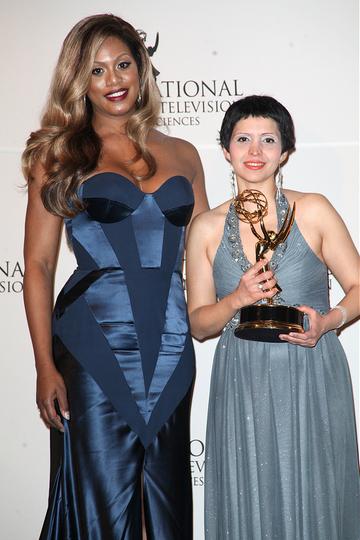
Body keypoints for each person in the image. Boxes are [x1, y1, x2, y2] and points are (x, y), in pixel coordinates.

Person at [22, 14, 208, 539]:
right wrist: (43, 365)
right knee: (102, 504)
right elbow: (36, 265)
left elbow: (206, 254)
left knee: (165, 511)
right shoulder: (58, 153)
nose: (114, 79)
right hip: (92, 347)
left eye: (123, 63)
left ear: (142, 67)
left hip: (172, 349)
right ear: (79, 81)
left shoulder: (185, 154)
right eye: (97, 70)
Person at [186, 95, 360, 539]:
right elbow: (200, 324)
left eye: (268, 139)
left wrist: (329, 320)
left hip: (311, 370)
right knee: (250, 500)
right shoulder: (205, 227)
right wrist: (237, 298)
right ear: (226, 150)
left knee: (318, 493)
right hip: (242, 379)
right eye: (243, 139)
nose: (255, 151)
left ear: (285, 152)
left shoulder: (315, 209)